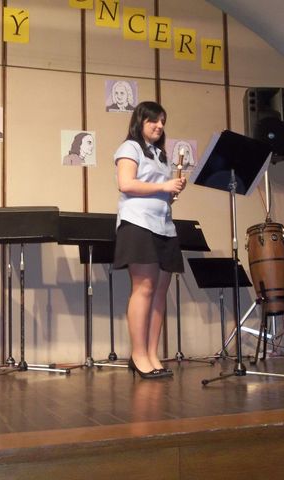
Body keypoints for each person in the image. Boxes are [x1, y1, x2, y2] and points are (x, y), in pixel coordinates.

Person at [113, 101, 186, 379]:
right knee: (143, 288)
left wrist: (172, 191)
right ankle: (138, 355)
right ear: (140, 121)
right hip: (138, 223)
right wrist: (163, 185)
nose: (159, 125)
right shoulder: (130, 147)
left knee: (159, 292)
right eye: (154, 120)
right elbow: (126, 184)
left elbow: (160, 193)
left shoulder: (159, 155)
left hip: (164, 225)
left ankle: (152, 354)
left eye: (163, 121)